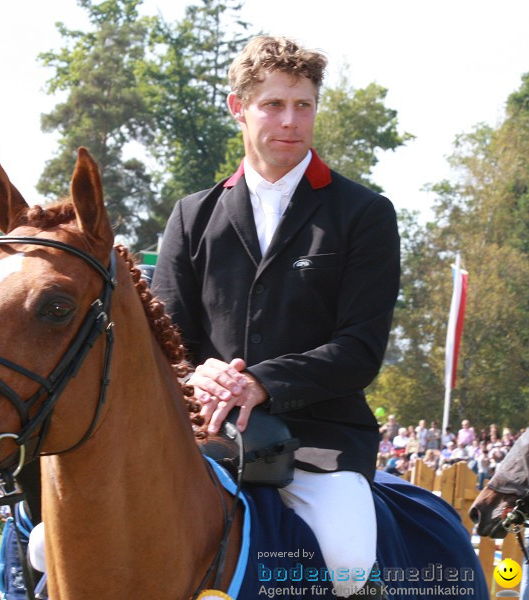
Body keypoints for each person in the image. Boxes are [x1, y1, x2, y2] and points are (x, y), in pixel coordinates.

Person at [152, 35, 401, 598]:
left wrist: (260, 382)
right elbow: (167, 342)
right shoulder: (193, 215)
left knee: (350, 561)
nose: (290, 121)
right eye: (273, 105)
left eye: (303, 105)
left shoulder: (365, 214)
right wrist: (197, 373)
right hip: (202, 434)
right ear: (238, 108)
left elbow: (359, 350)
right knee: (50, 541)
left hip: (319, 439)